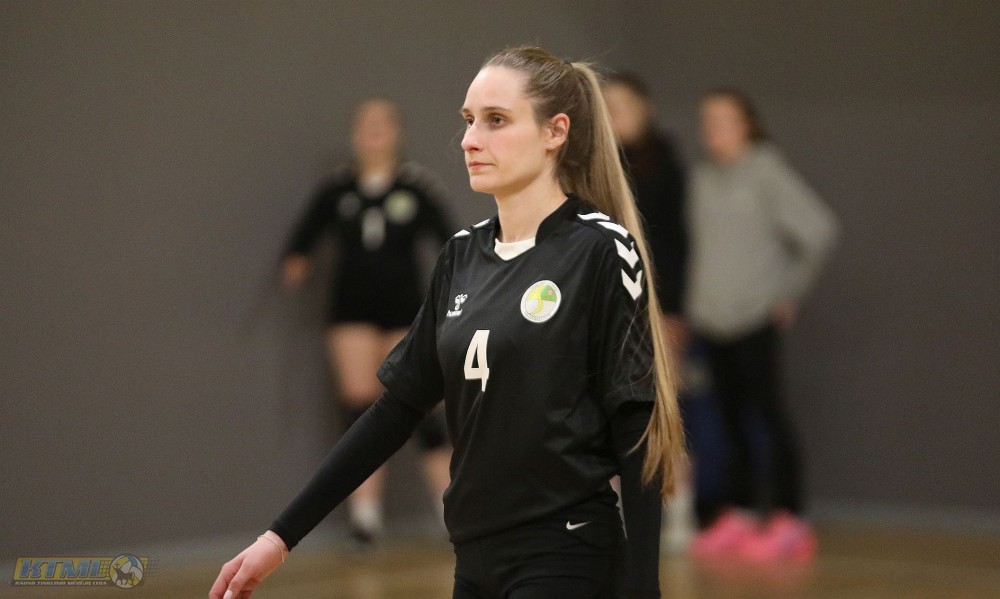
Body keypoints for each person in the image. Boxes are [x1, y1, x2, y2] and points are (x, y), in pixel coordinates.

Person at [209, 46, 686, 599]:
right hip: (475, 559)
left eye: (496, 120)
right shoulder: (460, 256)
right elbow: (395, 411)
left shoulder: (600, 249)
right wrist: (279, 538)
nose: (470, 140)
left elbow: (636, 432)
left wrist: (643, 589)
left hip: (565, 553)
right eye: (468, 120)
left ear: (555, 132)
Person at [281, 98, 454, 546]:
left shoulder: (415, 187)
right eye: (366, 124)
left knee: (422, 406)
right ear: (355, 134)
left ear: (397, 133)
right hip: (351, 311)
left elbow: (450, 240)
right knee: (361, 409)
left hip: (405, 310)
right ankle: (365, 516)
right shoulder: (337, 189)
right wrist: (296, 260)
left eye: (383, 123)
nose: (374, 131)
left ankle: (450, 507)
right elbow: (302, 238)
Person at [685, 87, 838, 562]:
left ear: (746, 125)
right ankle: (741, 512)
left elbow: (819, 231)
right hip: (711, 321)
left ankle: (790, 517)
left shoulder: (767, 172)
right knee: (726, 420)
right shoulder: (701, 179)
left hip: (754, 318)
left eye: (724, 120)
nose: (714, 129)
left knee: (768, 417)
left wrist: (788, 294)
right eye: (707, 120)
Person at [602, 73, 694, 553]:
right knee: (608, 408)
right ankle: (612, 511)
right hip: (609, 303)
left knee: (661, 405)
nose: (615, 114)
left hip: (660, 303)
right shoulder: (597, 166)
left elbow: (680, 244)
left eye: (623, 105)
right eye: (607, 106)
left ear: (645, 109)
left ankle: (679, 507)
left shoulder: (667, 168)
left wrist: (674, 307)